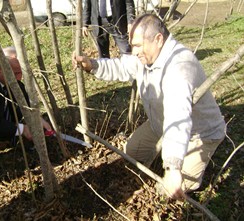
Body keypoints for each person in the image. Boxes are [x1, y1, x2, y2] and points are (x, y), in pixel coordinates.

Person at [73, 14, 225, 199]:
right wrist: (92, 65)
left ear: (158, 39)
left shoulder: (180, 67)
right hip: (160, 124)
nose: (133, 51)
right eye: (132, 45)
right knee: (132, 153)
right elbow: (122, 66)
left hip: (199, 133)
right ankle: (165, 153)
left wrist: (173, 166)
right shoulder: (147, 56)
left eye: (137, 45)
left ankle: (195, 162)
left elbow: (178, 117)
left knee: (175, 187)